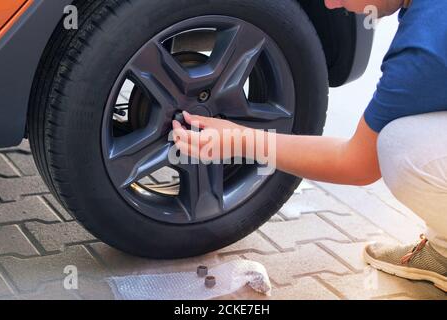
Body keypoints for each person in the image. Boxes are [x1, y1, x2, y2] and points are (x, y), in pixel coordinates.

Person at [172, 0, 447, 291]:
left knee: (401, 147)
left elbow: (357, 164)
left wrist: (239, 139)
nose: (330, 3)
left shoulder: (424, 46)